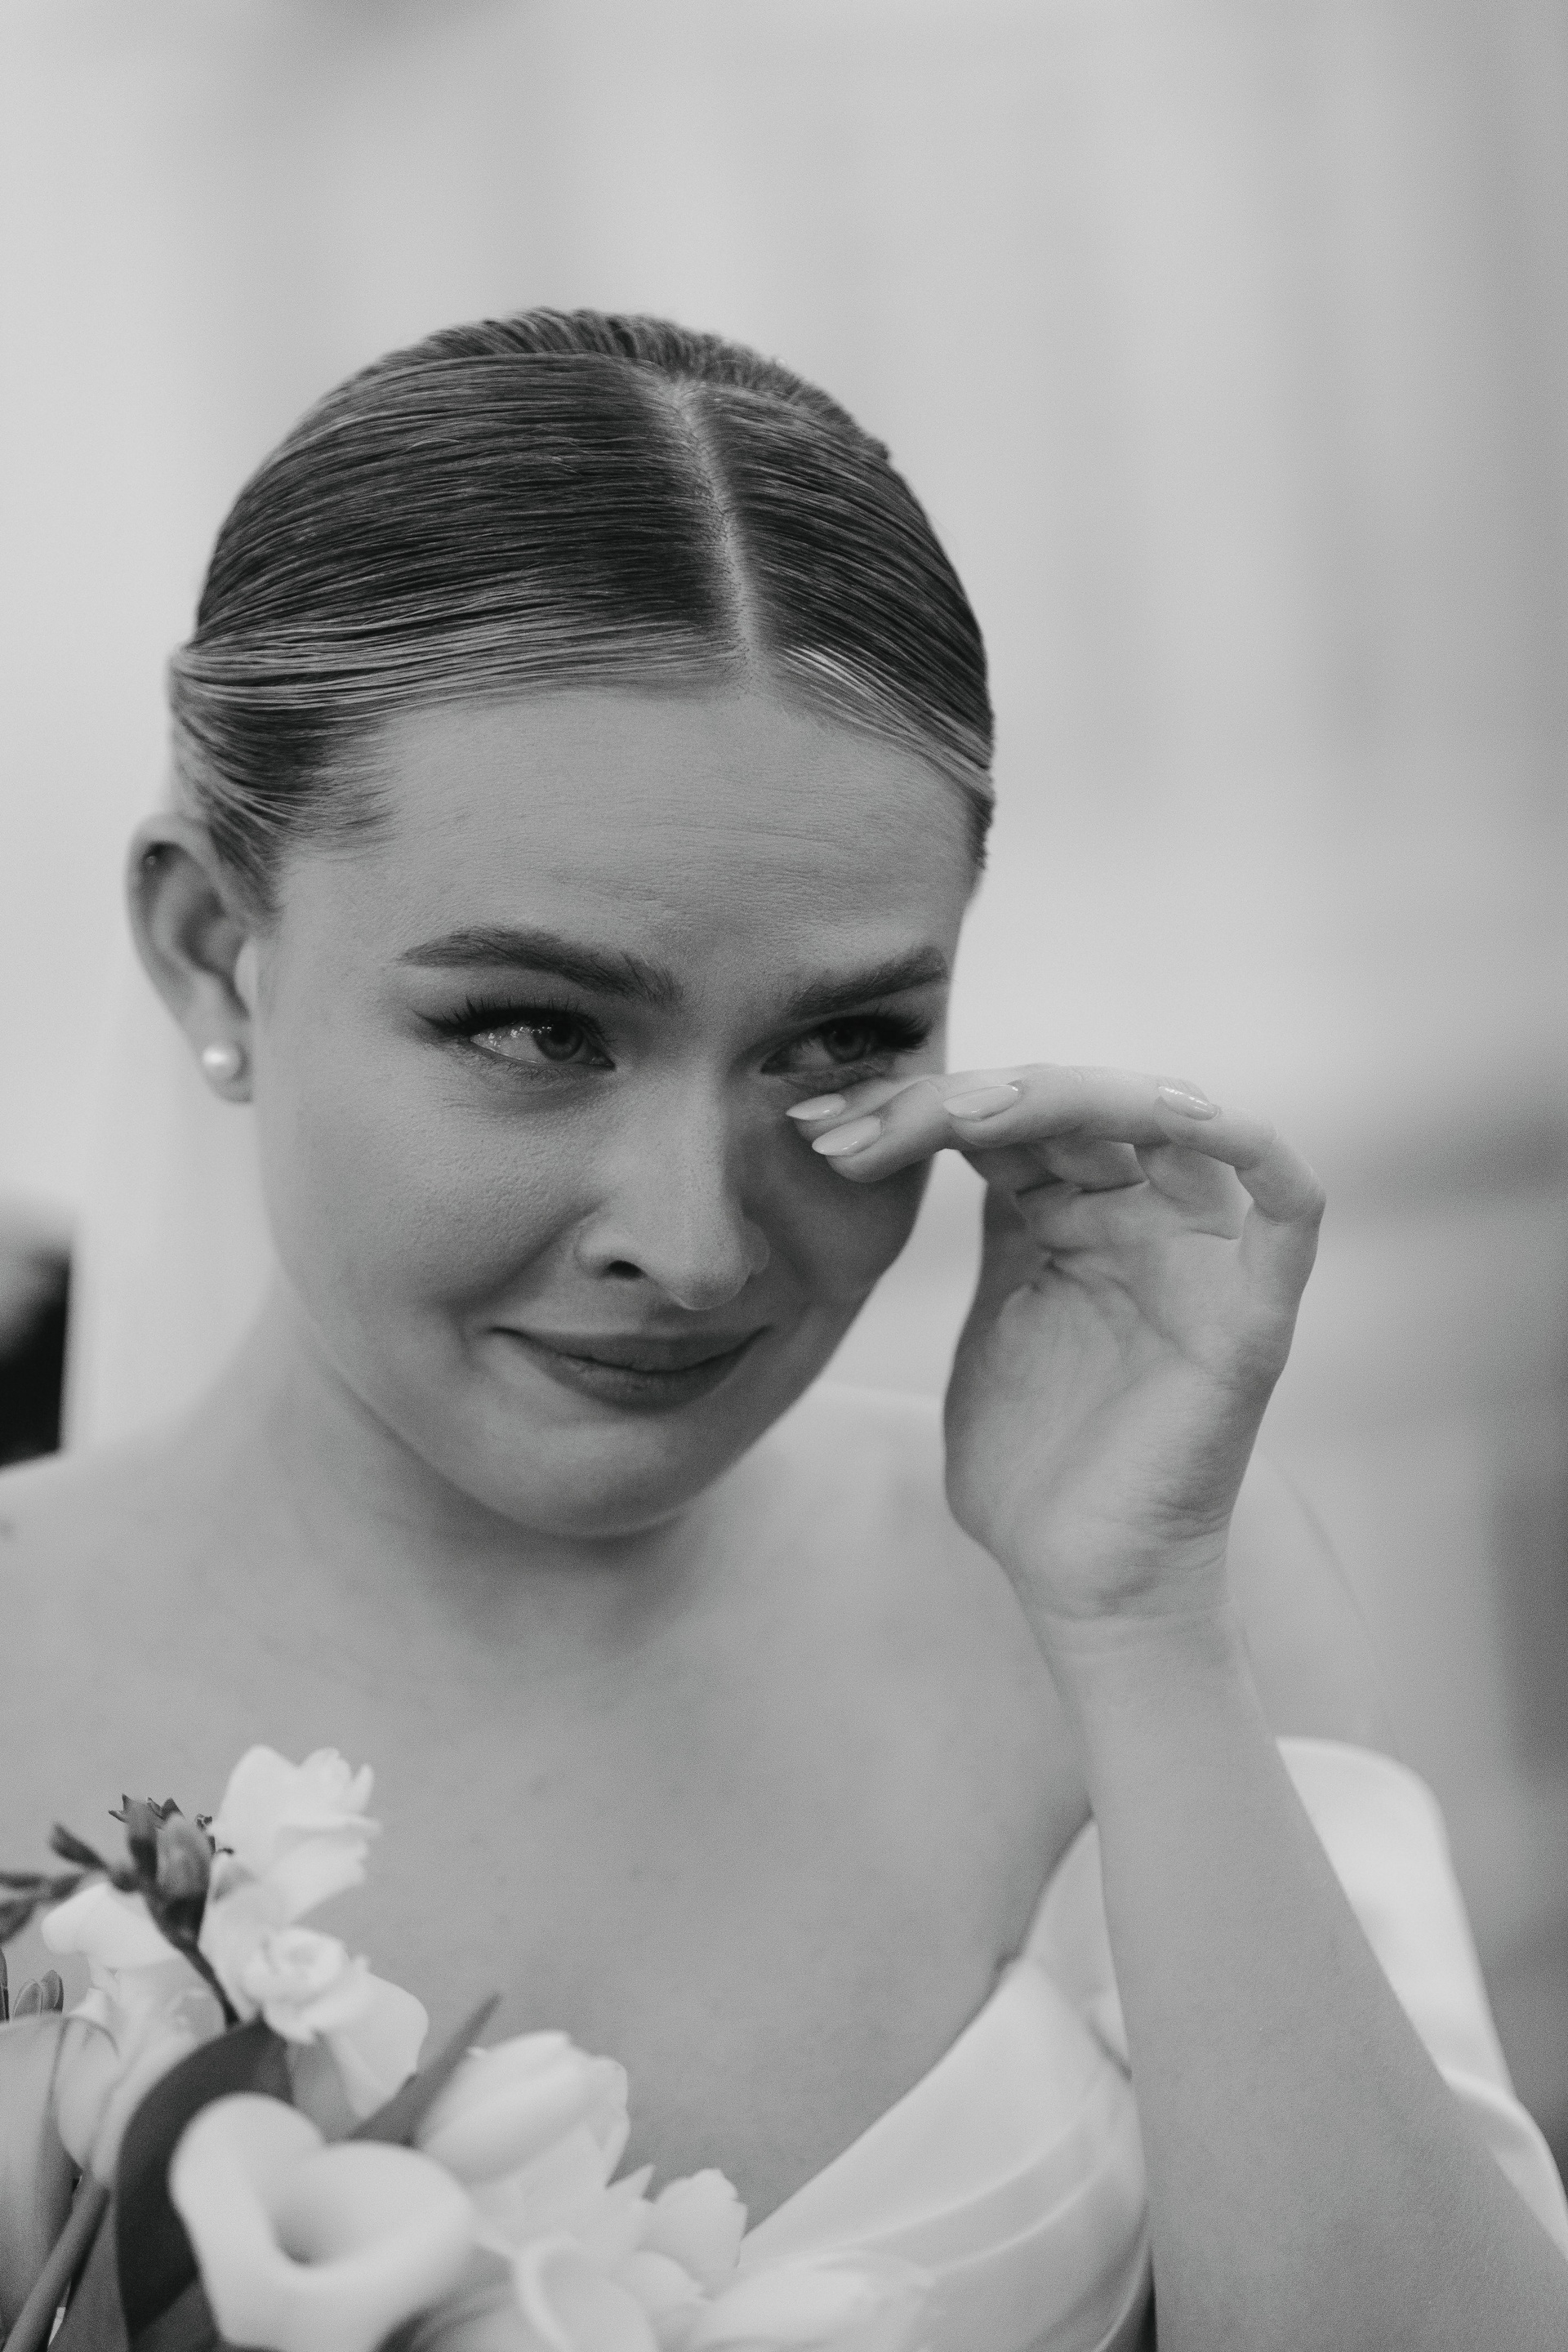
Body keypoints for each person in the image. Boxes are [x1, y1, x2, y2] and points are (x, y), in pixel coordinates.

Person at [2, 310, 1565, 2352]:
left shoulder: (1156, 1604)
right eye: (535, 1030)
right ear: (216, 945)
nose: (699, 1244)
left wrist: (1139, 1634)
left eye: (840, 1046)